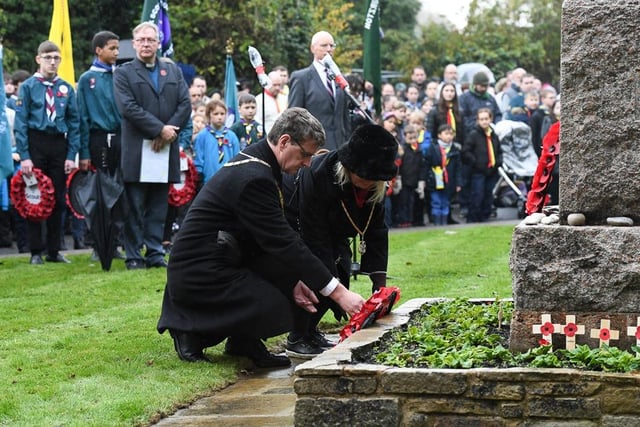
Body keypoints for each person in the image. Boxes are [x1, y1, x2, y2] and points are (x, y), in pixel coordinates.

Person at [157, 107, 365, 366]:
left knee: (294, 291)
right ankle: (191, 332)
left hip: (223, 256)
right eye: (305, 154)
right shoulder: (255, 177)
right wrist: (339, 293)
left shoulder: (262, 165)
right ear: (285, 142)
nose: (308, 163)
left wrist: (291, 280)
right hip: (200, 273)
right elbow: (282, 241)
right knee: (275, 306)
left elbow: (265, 240)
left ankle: (243, 342)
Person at [282, 123, 398, 357]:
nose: (367, 181)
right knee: (320, 277)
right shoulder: (318, 174)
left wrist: (380, 285)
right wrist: (332, 284)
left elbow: (376, 232)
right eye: (363, 176)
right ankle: (298, 335)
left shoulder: (375, 188)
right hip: (299, 223)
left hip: (335, 232)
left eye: (373, 177)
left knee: (341, 272)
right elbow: (315, 236)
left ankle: (311, 330)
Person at [113, 22, 191, 270]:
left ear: (158, 43)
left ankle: (155, 252)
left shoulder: (173, 71)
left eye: (151, 40)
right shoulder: (123, 73)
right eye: (142, 40)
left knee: (159, 205)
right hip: (137, 148)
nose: (146, 44)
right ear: (134, 43)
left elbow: (185, 105)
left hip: (165, 148)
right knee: (134, 205)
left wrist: (168, 131)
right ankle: (134, 255)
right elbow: (128, 108)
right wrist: (159, 129)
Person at [14, 41, 82, 265]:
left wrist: (72, 154)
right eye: (48, 58)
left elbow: (74, 122)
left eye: (56, 58)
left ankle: (54, 250)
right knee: (35, 197)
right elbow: (21, 123)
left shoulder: (65, 88)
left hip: (58, 145)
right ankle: (36, 250)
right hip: (36, 143)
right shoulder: (28, 87)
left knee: (58, 199)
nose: (52, 62)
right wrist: (25, 155)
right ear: (38, 59)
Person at [76, 30, 124, 257]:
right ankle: (98, 244)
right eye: (112, 48)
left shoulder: (120, 75)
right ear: (99, 50)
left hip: (120, 138)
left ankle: (114, 243)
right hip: (98, 140)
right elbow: (82, 118)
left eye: (117, 48)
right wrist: (84, 152)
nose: (116, 52)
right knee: (101, 193)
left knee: (119, 191)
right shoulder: (87, 79)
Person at [288, 31, 351, 151]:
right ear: (313, 48)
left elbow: (345, 117)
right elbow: (294, 117)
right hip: (314, 149)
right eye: (324, 45)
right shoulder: (301, 78)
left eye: (332, 46)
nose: (329, 49)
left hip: (340, 148)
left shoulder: (340, 78)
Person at [462, 108, 502, 223]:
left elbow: (498, 150)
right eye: (481, 119)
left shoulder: (493, 135)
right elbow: (466, 151)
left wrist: (498, 162)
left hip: (491, 170)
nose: (484, 122)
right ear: (478, 121)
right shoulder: (474, 134)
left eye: (486, 119)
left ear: (491, 119)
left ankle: (485, 215)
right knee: (477, 194)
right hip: (478, 170)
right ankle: (473, 217)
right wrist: (475, 162)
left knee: (488, 194)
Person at [193, 99, 240, 184]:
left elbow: (237, 157)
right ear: (208, 115)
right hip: (208, 180)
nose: (219, 117)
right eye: (216, 114)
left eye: (222, 114)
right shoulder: (202, 136)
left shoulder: (232, 136)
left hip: (228, 179)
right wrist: (199, 174)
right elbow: (198, 157)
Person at [424, 124, 462, 225]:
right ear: (439, 135)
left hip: (448, 180)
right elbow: (426, 165)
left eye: (451, 134)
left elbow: (458, 168)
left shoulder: (455, 150)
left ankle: (444, 222)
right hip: (435, 180)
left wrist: (458, 183)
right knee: (436, 201)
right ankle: (437, 222)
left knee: (446, 202)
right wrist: (425, 179)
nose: (449, 136)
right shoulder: (433, 148)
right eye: (446, 134)